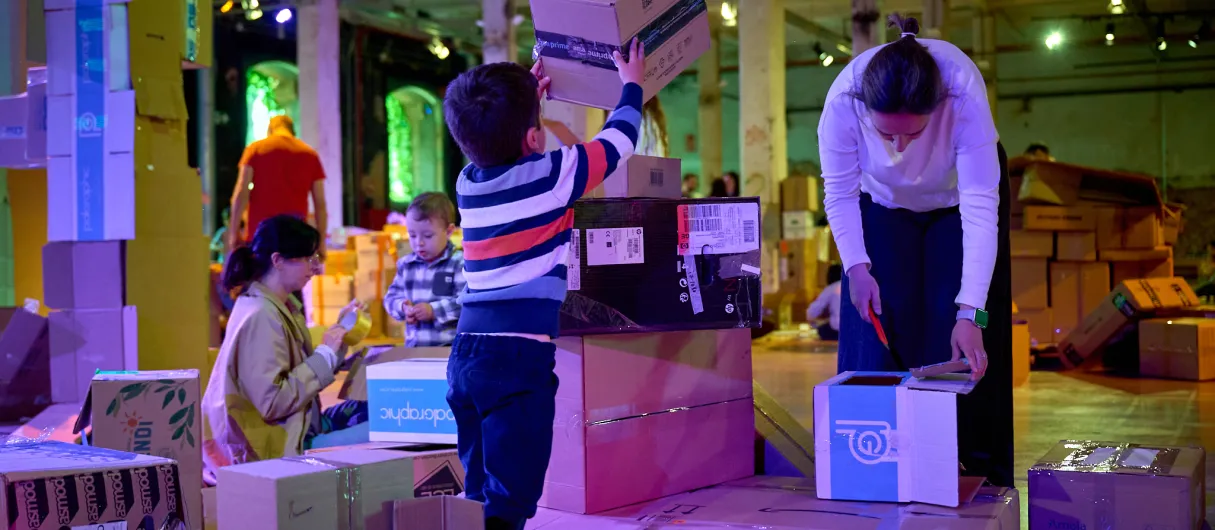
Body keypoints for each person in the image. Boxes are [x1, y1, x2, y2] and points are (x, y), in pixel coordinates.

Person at [441, 40, 645, 530]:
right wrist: (632, 83)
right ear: (534, 138)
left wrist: (529, 101)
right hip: (518, 362)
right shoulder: (555, 174)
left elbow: (507, 144)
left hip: (466, 355)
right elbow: (620, 141)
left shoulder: (467, 184)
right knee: (512, 499)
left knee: (478, 490)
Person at [817, 14, 1013, 486]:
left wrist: (971, 313)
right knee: (882, 320)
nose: (901, 147)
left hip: (957, 202)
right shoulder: (844, 101)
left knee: (959, 331)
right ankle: (875, 460)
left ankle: (975, 468)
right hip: (882, 202)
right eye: (888, 135)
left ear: (938, 108)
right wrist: (856, 268)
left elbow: (982, 212)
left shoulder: (962, 92)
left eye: (914, 133)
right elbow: (840, 195)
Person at [202, 215, 365, 479]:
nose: (315, 268)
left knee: (371, 409)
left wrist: (337, 345)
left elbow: (295, 372)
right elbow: (274, 402)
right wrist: (324, 355)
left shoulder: (277, 304)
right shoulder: (261, 315)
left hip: (298, 426)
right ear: (278, 261)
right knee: (384, 431)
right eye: (308, 259)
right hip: (278, 446)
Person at [226, 115, 329, 257]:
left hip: (260, 237)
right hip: (295, 238)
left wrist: (234, 232)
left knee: (260, 278)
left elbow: (241, 192)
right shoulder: (310, 155)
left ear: (270, 130)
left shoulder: (255, 149)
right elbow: (320, 204)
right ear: (293, 132)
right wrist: (321, 242)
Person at [384, 192, 466, 347]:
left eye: (428, 236)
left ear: (449, 231)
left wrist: (434, 310)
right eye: (412, 235)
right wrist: (403, 307)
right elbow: (390, 298)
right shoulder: (406, 265)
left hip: (449, 350)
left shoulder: (458, 262)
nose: (419, 243)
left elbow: (465, 302)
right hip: (414, 350)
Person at [807, 264, 843, 341]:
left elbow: (811, 312)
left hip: (837, 330)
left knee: (823, 329)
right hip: (856, 329)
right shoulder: (854, 285)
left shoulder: (831, 288)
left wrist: (814, 323)